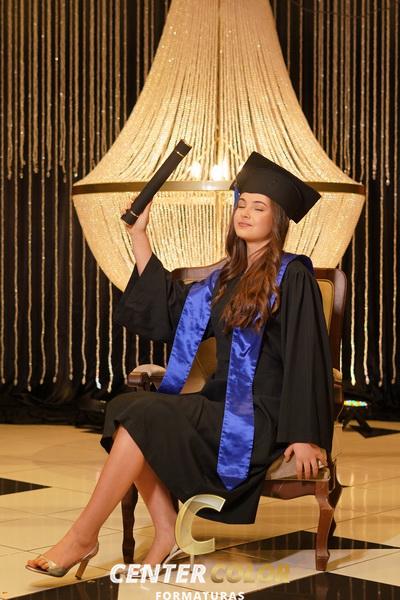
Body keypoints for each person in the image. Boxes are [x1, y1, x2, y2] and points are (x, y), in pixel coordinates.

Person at [25, 151, 334, 578]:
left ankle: (85, 536)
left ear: (277, 219)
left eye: (258, 207)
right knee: (126, 407)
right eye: (241, 204)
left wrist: (305, 435)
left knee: (141, 414)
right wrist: (139, 235)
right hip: (220, 404)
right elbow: (173, 311)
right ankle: (164, 533)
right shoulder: (227, 277)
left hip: (262, 416)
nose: (245, 213)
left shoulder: (293, 275)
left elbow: (307, 355)